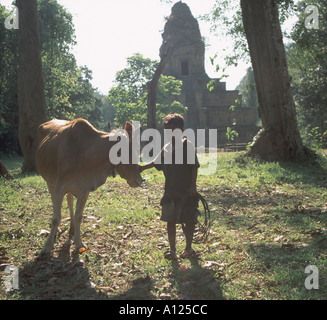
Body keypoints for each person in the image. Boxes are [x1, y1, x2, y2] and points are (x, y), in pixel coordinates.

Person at [140, 113, 200, 260]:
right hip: (170, 191)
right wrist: (142, 168)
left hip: (186, 191)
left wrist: (193, 186)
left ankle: (188, 248)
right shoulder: (166, 147)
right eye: (167, 131)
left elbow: (194, 167)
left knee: (189, 220)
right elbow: (156, 162)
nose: (170, 134)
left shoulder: (187, 145)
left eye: (174, 131)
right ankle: (172, 250)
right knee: (170, 220)